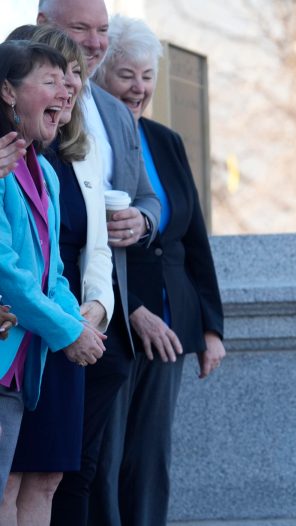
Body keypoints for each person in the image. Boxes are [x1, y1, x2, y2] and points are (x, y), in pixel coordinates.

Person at [90, 15, 225, 525]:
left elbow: (193, 239)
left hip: (171, 326)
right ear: (100, 75)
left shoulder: (166, 140)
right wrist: (133, 309)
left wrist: (211, 327)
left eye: (147, 76)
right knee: (103, 464)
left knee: (151, 464)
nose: (139, 88)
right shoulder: (90, 138)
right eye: (126, 75)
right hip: (115, 323)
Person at [36, 1, 162, 522]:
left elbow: (145, 198)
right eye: (80, 29)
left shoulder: (112, 111)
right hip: (42, 320)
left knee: (80, 473)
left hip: (103, 319)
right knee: (32, 474)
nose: (94, 42)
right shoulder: (23, 116)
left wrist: (142, 221)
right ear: (44, 27)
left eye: (102, 30)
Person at [0, 25, 114, 526]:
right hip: (9, 351)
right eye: (50, 81)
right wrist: (70, 330)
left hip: (31, 361)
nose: (67, 91)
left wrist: (81, 325)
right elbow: (8, 273)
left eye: (69, 82)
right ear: (9, 92)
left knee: (40, 483)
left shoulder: (45, 170)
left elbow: (54, 274)